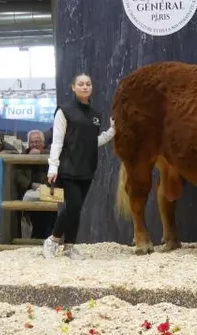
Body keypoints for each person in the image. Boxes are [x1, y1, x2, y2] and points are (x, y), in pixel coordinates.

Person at [42, 73, 115, 259]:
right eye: (81, 84)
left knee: (77, 208)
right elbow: (57, 142)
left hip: (87, 168)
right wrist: (53, 167)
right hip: (68, 167)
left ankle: (69, 246)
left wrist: (112, 132)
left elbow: (92, 142)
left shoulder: (96, 115)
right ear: (73, 88)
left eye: (88, 84)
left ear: (92, 87)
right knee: (73, 206)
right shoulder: (64, 111)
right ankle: (52, 240)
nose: (85, 87)